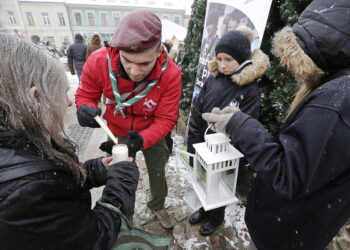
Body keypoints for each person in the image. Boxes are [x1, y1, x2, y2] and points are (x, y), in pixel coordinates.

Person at [202, 0, 350, 249]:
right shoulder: (337, 89)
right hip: (291, 228)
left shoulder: (336, 100)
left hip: (286, 234)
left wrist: (239, 125)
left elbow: (287, 173)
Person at [0, 33, 139, 249]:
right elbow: (95, 237)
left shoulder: (18, 143)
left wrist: (92, 171)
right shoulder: (22, 193)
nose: (68, 103)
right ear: (35, 98)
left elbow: (52, 182)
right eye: (62, 94)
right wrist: (121, 185)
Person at [75, 10, 182, 229]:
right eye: (127, 61)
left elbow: (166, 118)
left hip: (152, 129)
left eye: (144, 64)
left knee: (158, 170)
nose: (135, 71)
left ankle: (157, 204)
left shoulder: (171, 73)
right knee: (117, 176)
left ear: (159, 51)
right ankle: (124, 214)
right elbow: (86, 95)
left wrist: (142, 140)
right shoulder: (98, 61)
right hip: (116, 130)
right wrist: (85, 108)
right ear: (116, 50)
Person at [187, 26, 270, 236]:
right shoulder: (211, 80)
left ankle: (216, 217)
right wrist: (193, 142)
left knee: (220, 185)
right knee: (205, 180)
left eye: (229, 60)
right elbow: (198, 112)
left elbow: (246, 125)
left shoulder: (250, 90)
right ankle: (204, 209)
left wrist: (227, 149)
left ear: (241, 60)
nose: (222, 65)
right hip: (204, 145)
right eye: (219, 58)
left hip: (228, 152)